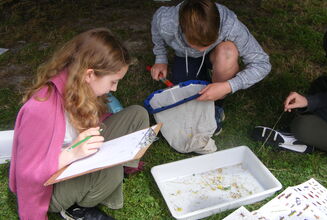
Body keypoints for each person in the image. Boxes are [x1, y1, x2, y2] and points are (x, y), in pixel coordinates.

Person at [9, 28, 150, 220]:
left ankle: (123, 168)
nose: (115, 88)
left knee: (138, 114)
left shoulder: (78, 86)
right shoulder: (40, 109)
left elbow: (83, 125)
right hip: (51, 186)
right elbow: (28, 175)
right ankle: (75, 208)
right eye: (113, 82)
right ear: (89, 74)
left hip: (78, 155)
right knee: (110, 172)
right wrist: (73, 153)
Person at [150, 0, 271, 133]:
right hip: (185, 57)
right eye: (197, 44)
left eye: (207, 43)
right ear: (183, 31)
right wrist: (160, 58)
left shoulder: (229, 24)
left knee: (228, 52)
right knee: (185, 95)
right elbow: (156, 25)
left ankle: (216, 106)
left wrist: (228, 86)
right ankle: (204, 79)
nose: (202, 50)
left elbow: (262, 63)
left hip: (218, 54)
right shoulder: (166, 20)